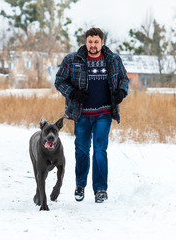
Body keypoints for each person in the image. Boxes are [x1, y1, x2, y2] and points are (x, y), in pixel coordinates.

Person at [55, 27, 129, 203]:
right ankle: (80, 185)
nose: (93, 45)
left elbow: (124, 79)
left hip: (104, 112)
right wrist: (72, 93)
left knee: (99, 149)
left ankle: (100, 189)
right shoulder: (72, 60)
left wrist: (121, 91)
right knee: (81, 151)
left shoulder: (113, 59)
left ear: (102, 43)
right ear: (85, 42)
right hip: (81, 113)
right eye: (90, 42)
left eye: (96, 42)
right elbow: (59, 81)